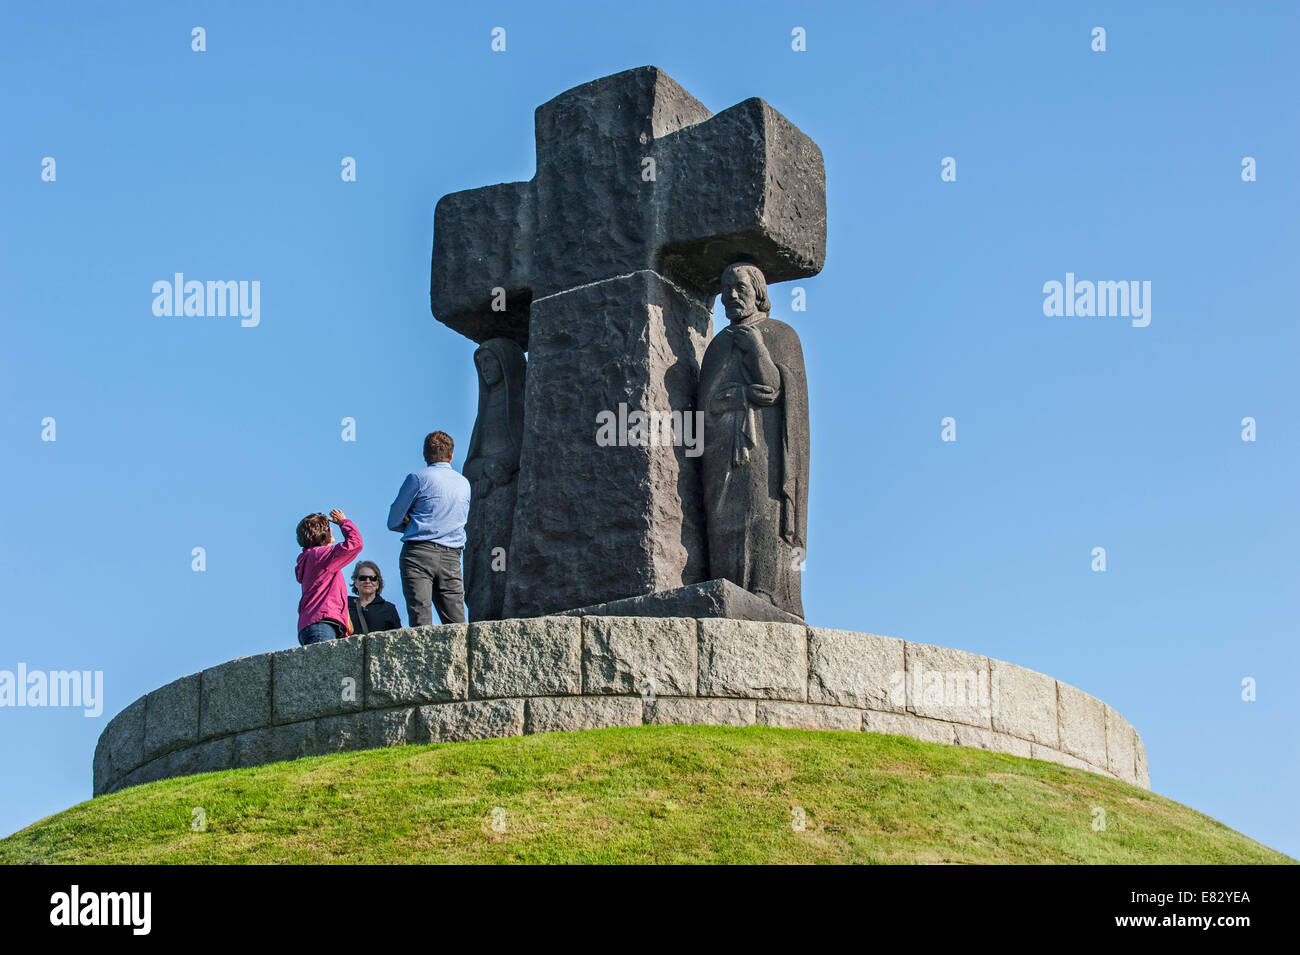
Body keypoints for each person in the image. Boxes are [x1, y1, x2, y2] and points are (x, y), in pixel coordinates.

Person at [387, 430, 471, 625]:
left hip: (419, 552)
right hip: (452, 556)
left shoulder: (417, 478)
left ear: (425, 455)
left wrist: (411, 523)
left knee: (420, 619)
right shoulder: (464, 483)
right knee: (456, 621)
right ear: (451, 455)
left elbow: (393, 520)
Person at [295, 509, 363, 645]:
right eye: (329, 529)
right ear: (323, 534)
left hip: (315, 624)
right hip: (322, 624)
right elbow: (355, 544)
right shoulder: (320, 556)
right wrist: (344, 522)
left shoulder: (311, 558)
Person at [346, 560, 402, 634]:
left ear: (378, 584)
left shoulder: (389, 608)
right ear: (356, 583)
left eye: (373, 578)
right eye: (363, 578)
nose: (368, 581)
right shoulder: (345, 605)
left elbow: (398, 636)